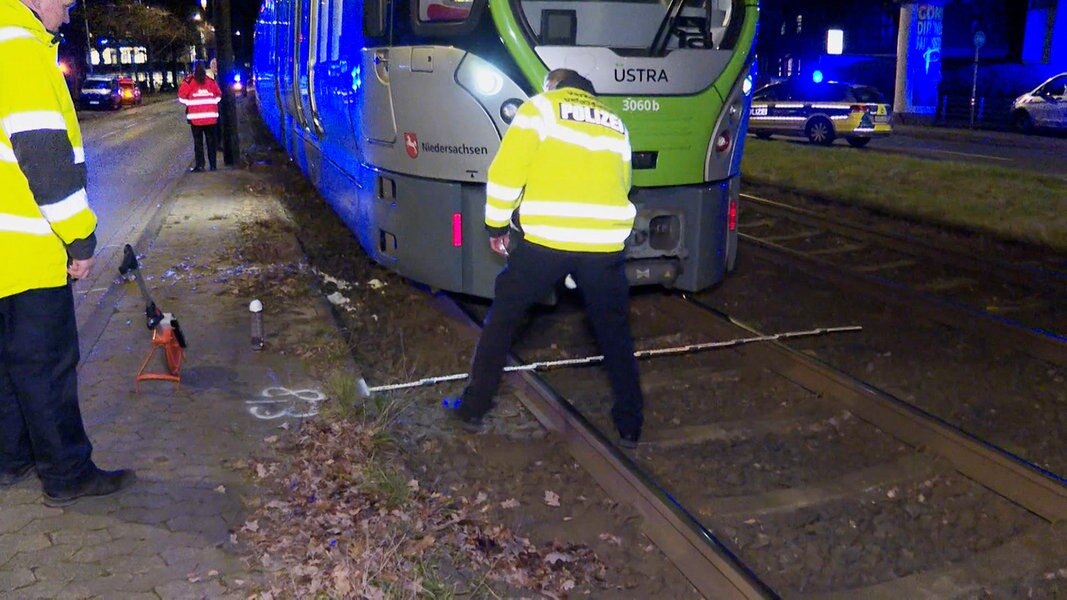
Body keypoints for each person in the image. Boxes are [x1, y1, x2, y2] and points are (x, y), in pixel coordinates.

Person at [446, 68, 645, 449]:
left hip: (546, 242)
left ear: (555, 86)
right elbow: (624, 182)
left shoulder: (540, 108)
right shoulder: (615, 123)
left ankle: (474, 406)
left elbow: (506, 172)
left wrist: (496, 225)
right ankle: (630, 422)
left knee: (503, 318)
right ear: (588, 92)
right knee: (615, 332)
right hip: (603, 246)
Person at [0, 0, 135, 506]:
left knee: (10, 363)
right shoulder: (19, 47)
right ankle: (67, 473)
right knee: (47, 365)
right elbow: (45, 157)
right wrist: (79, 237)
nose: (70, 7)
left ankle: (12, 460)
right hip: (26, 246)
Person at [177, 61, 222, 172]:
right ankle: (213, 165)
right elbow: (219, 96)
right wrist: (211, 104)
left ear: (193, 70)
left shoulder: (189, 82)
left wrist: (190, 103)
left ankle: (200, 165)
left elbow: (181, 97)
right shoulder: (210, 82)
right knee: (211, 142)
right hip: (211, 118)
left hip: (195, 119)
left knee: (198, 143)